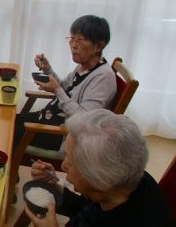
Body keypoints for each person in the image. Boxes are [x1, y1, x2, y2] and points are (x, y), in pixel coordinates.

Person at [25, 109, 173, 226]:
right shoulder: (125, 180)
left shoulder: (139, 219)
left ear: (101, 179)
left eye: (71, 161)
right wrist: (57, 190)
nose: (63, 166)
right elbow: (84, 208)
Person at [14, 15, 117, 151]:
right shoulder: (84, 66)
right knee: (7, 121)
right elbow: (65, 87)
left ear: (98, 45)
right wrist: (47, 69)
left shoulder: (103, 77)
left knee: (6, 133)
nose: (74, 45)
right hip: (47, 118)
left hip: (62, 134)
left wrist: (57, 90)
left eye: (80, 40)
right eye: (72, 39)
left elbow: (84, 120)